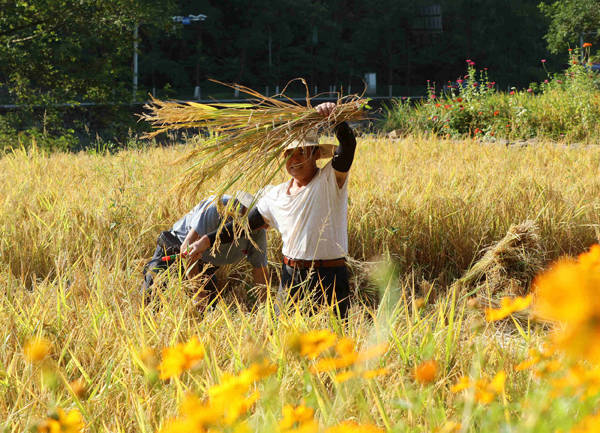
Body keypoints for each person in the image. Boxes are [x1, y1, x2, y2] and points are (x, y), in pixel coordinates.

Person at [185, 102, 356, 318]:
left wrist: (335, 118)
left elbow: (348, 146)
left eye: (301, 152)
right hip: (291, 276)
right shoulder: (275, 195)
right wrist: (206, 241)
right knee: (283, 342)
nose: (294, 159)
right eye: (289, 154)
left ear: (315, 153)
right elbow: (243, 227)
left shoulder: (330, 180)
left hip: (330, 276)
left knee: (334, 344)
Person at [141, 191, 268, 307]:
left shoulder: (259, 230)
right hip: (176, 250)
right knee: (150, 301)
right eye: (262, 219)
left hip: (204, 264)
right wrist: (198, 292)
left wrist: (265, 309)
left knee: (207, 310)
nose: (265, 226)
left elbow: (260, 271)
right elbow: (187, 249)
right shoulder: (217, 208)